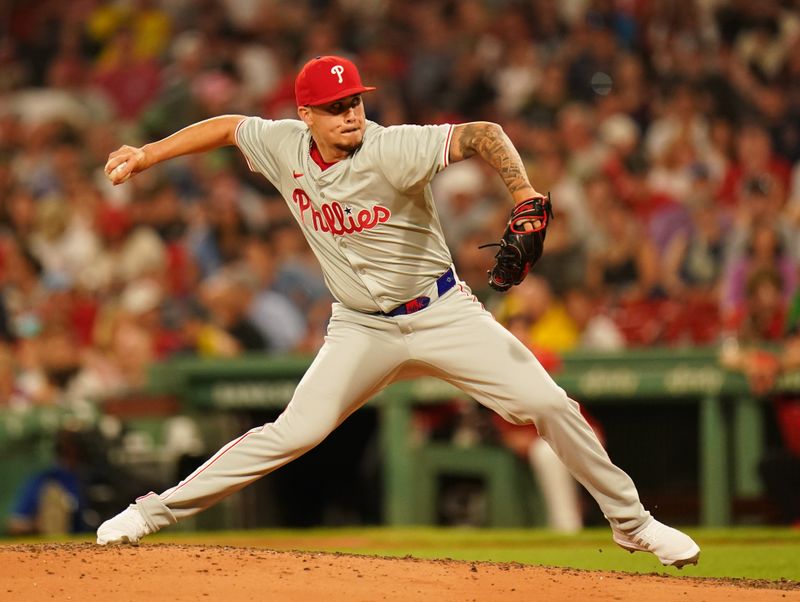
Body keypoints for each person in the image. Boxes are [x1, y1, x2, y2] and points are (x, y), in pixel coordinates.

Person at [96, 55, 700, 567]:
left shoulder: (393, 148)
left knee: (547, 404)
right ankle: (150, 512)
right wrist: (148, 154)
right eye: (335, 106)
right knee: (292, 432)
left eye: (354, 100)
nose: (351, 112)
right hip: (360, 327)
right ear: (305, 115)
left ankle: (633, 522)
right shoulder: (284, 146)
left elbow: (484, 133)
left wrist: (523, 194)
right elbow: (230, 126)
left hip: (441, 312)